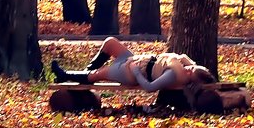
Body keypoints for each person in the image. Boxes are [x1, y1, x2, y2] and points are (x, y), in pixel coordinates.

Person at [50, 37, 217, 92]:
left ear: (189, 80)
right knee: (110, 43)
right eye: (191, 68)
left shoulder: (173, 74)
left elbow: (150, 87)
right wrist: (194, 66)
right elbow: (185, 58)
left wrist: (135, 71)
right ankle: (79, 77)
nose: (188, 70)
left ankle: (65, 75)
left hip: (130, 71)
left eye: (190, 73)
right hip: (136, 59)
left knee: (97, 74)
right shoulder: (185, 66)